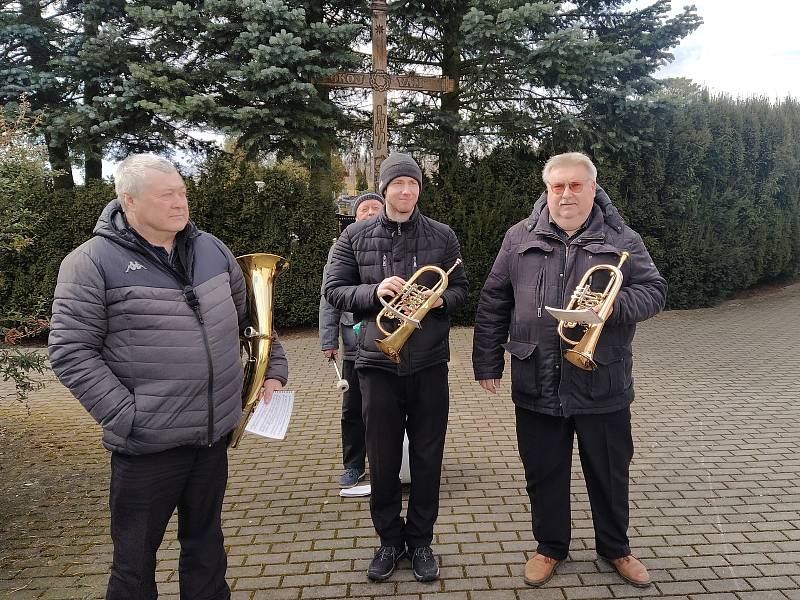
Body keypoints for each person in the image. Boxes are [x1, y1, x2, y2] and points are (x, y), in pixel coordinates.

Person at [48, 153, 288, 600]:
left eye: (182, 191)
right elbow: (70, 351)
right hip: (147, 449)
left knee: (206, 550)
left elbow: (252, 319)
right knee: (134, 567)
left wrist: (272, 370)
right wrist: (129, 416)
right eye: (168, 195)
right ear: (130, 201)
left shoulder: (211, 249)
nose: (181, 203)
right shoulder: (90, 263)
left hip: (213, 436)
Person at [472, 152, 666, 589]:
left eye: (575, 185)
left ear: (592, 189)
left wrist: (611, 307)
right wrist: (487, 362)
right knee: (543, 473)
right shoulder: (518, 237)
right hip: (535, 378)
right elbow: (493, 302)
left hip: (603, 380)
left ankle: (616, 548)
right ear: (547, 190)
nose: (566, 194)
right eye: (557, 186)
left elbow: (654, 291)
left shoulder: (622, 238)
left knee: (610, 472)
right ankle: (549, 547)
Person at [323, 152, 468, 583]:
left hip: (428, 364)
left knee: (428, 458)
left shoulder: (443, 236)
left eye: (413, 184)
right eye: (397, 184)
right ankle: (389, 541)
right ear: (384, 188)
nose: (406, 191)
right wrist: (373, 291)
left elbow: (461, 290)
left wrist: (441, 299)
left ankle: (421, 540)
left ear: (419, 189)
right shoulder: (353, 236)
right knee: (383, 461)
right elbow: (335, 291)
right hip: (375, 364)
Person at [319, 191, 384, 488]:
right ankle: (354, 464)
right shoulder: (340, 249)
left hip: (390, 339)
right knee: (353, 408)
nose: (370, 212)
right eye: (364, 209)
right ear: (354, 217)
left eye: (375, 208)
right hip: (354, 343)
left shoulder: (395, 240)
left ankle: (392, 463)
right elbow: (328, 298)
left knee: (386, 408)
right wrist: (328, 339)